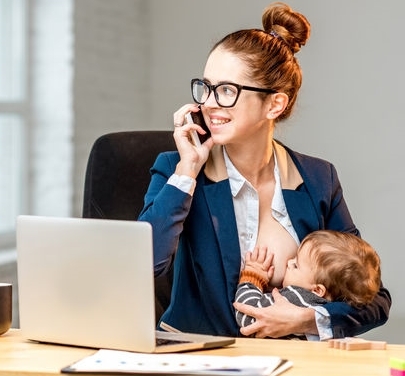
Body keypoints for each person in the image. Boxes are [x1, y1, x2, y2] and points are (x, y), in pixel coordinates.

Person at [138, 2, 391, 339]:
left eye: (227, 90)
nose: (209, 103)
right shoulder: (178, 168)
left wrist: (306, 320)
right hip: (196, 356)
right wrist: (187, 171)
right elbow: (141, 266)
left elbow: (374, 299)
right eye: (207, 87)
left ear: (275, 103)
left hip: (285, 361)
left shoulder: (317, 180)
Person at [234, 230, 382, 340]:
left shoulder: (295, 297)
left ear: (317, 290)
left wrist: (252, 278)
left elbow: (247, 316)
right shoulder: (326, 304)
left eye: (296, 265)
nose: (289, 262)